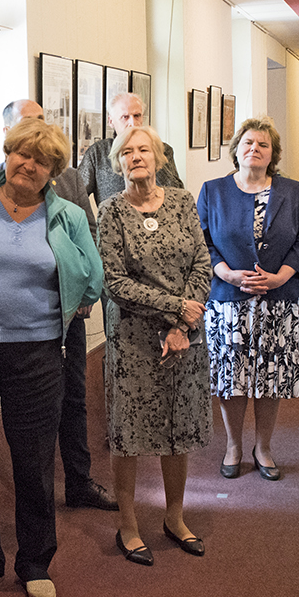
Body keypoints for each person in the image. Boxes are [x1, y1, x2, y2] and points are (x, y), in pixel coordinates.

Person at [0, 118, 104, 597]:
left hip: (37, 353)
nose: (29, 165)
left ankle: (35, 561)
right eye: (22, 154)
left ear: (53, 171)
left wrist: (72, 296)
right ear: (7, 153)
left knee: (34, 461)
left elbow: (94, 279)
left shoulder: (68, 217)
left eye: (42, 161)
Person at [0, 99, 118, 512]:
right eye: (27, 128)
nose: (38, 138)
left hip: (62, 317)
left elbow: (87, 233)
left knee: (72, 397)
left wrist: (82, 294)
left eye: (43, 124)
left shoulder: (70, 179)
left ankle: (78, 480)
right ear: (7, 136)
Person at [97, 124, 213, 566]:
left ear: (160, 158)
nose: (136, 157)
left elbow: (202, 262)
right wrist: (174, 310)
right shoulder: (111, 212)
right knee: (128, 435)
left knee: (176, 428)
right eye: (126, 152)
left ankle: (175, 517)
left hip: (183, 337)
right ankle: (128, 525)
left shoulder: (183, 202)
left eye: (143, 149)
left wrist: (184, 322)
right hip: (132, 339)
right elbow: (115, 282)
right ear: (118, 163)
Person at [196, 117, 299, 480]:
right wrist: (227, 273)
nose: (255, 149)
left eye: (263, 145)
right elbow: (202, 243)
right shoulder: (212, 191)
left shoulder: (292, 192)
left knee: (270, 375)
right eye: (248, 143)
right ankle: (233, 445)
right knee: (231, 376)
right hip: (228, 299)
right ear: (236, 149)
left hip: (278, 301)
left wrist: (281, 276)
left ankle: (263, 446)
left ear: (272, 154)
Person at [75, 92, 185, 206]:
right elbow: (75, 196)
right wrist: (88, 223)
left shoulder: (161, 149)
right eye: (125, 117)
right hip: (113, 220)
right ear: (111, 121)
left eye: (137, 116)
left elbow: (177, 195)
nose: (132, 123)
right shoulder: (98, 153)